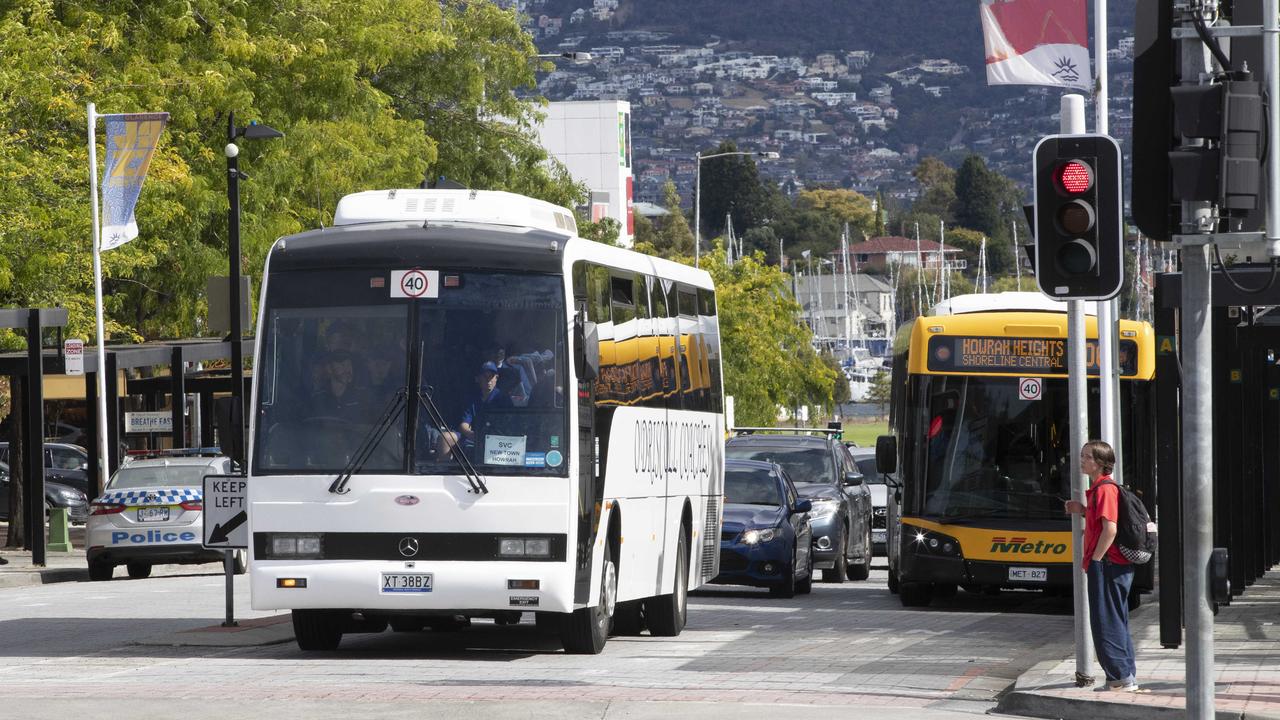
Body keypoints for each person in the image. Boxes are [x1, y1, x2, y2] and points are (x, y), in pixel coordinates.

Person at [1065, 440, 1139, 692]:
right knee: (1115, 619)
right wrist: (1083, 510)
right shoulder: (1100, 490)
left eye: (1087, 457)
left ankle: (1119, 678)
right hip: (1112, 564)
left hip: (1108, 564)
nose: (1081, 460)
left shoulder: (1105, 490)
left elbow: (1110, 529)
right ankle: (1125, 675)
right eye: (1082, 455)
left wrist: (1096, 558)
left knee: (1106, 621)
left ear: (1099, 463)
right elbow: (1103, 521)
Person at [438, 361, 513, 458]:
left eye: (491, 376)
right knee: (445, 438)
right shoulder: (471, 398)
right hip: (474, 437)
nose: (488, 380)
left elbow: (510, 425)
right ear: (478, 379)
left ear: (496, 378)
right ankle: (444, 471)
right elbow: (464, 425)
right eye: (485, 376)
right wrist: (473, 435)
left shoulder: (504, 399)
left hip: (498, 440)